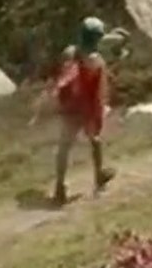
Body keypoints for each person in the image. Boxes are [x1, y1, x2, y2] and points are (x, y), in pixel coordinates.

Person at [33, 17, 116, 207]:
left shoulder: (69, 52)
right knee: (95, 140)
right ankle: (99, 176)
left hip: (70, 106)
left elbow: (61, 75)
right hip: (86, 108)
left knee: (64, 146)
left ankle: (60, 187)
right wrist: (99, 111)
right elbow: (99, 91)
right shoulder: (97, 61)